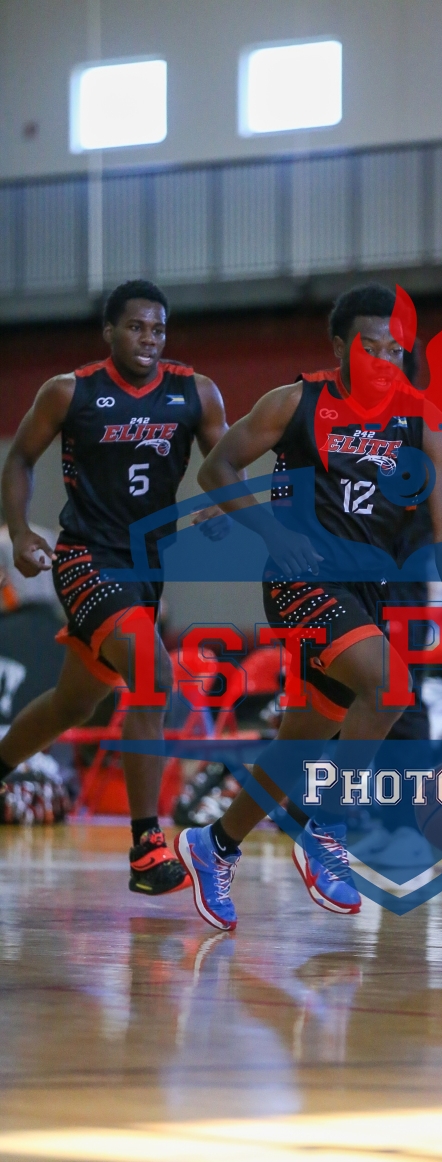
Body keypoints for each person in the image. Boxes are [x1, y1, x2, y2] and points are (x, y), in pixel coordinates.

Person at [177, 283, 442, 930]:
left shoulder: (426, 424)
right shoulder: (295, 402)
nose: (384, 359)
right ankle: (328, 827)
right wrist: (272, 532)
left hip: (364, 593)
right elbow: (217, 469)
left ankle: (214, 845)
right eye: (370, 348)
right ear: (341, 348)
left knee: (300, 742)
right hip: (301, 581)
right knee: (391, 686)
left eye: (394, 350)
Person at [0, 279, 232, 894]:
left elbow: (226, 464)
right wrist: (20, 532)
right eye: (136, 327)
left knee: (71, 705)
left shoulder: (196, 392)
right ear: (109, 331)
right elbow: (19, 458)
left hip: (145, 573)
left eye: (159, 329)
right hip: (85, 559)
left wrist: (221, 505)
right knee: (153, 676)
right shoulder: (69, 391)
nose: (149, 339)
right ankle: (146, 847)